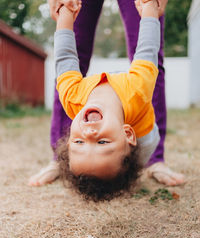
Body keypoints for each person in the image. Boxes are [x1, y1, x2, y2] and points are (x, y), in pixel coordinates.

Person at [29, 0, 185, 188]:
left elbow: (65, 55)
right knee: (150, 64)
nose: (89, 132)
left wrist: (65, 12)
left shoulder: (71, 96)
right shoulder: (138, 89)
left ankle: (61, 160)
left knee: (72, 54)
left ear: (68, 139)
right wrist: (150, 5)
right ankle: (152, 158)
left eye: (78, 141)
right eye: (101, 142)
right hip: (145, 133)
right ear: (128, 133)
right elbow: (147, 47)